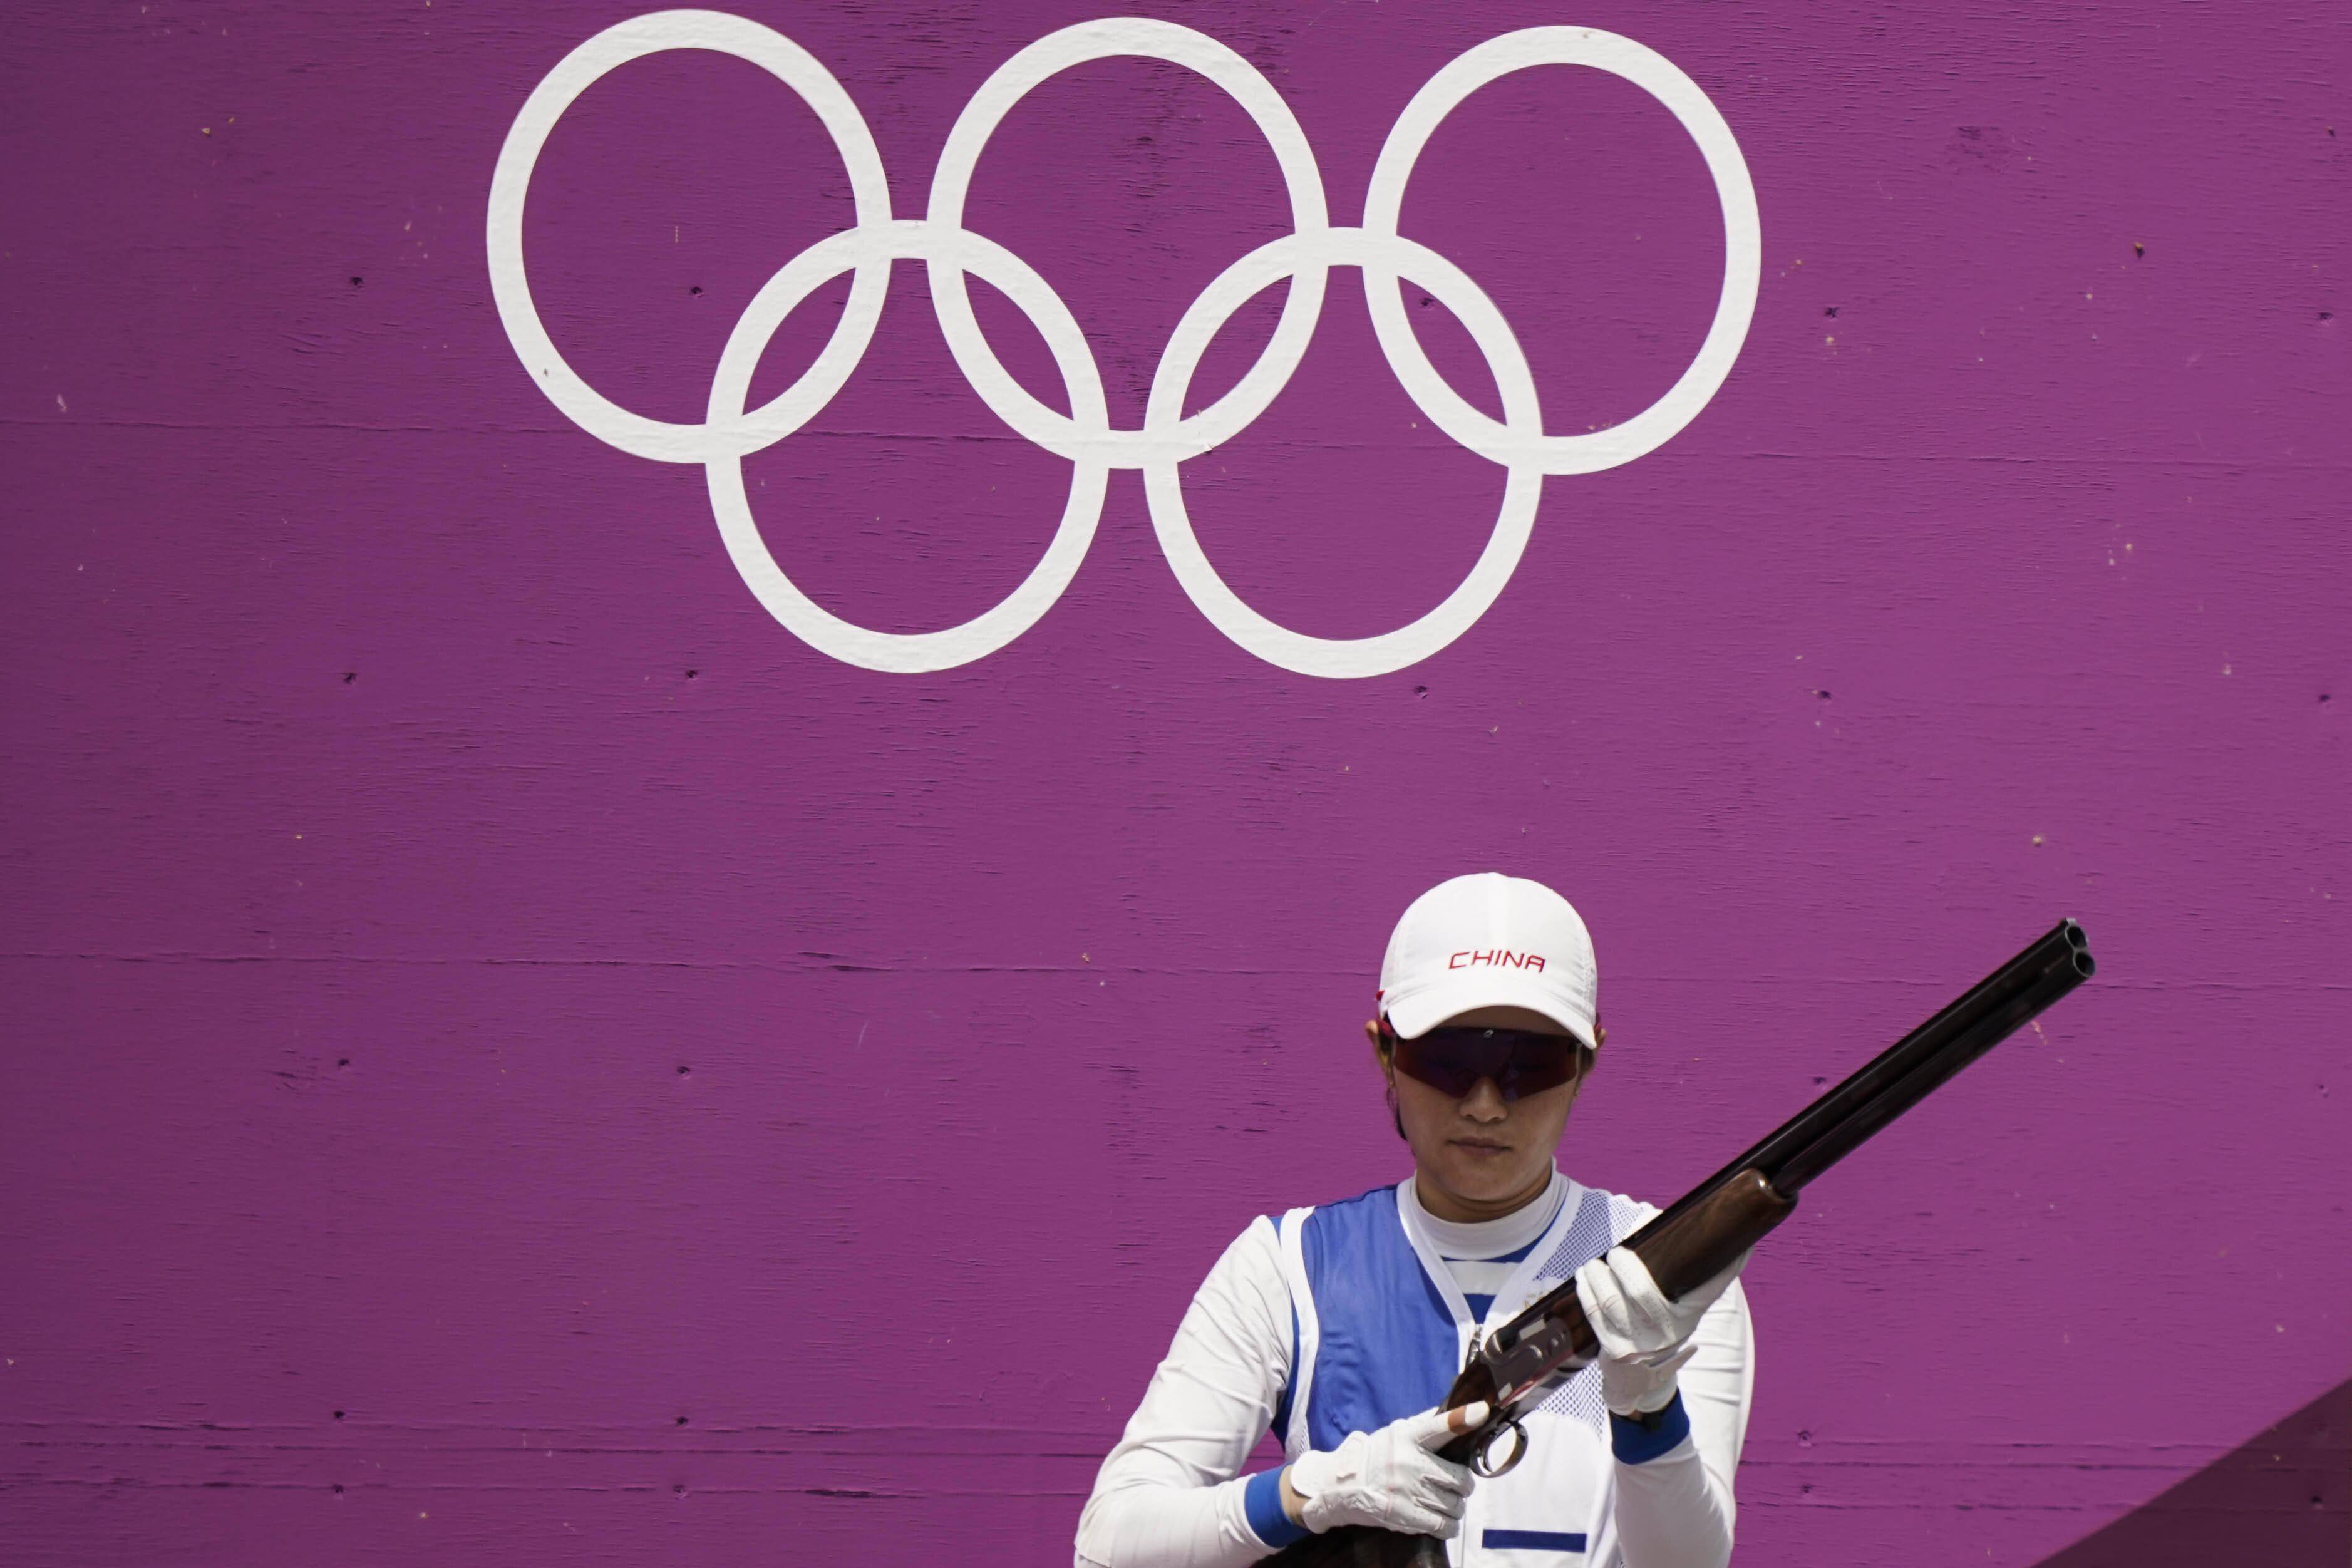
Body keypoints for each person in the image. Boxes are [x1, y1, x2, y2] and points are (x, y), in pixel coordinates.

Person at [1074, 873, 1753, 1568]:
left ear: (1587, 1062)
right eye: (1449, 1059)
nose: (1486, 1105)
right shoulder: (1286, 1266)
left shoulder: (1663, 1279)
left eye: (1530, 1063)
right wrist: (1314, 1492)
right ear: (1384, 1053)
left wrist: (1647, 1403)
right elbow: (1107, 1544)